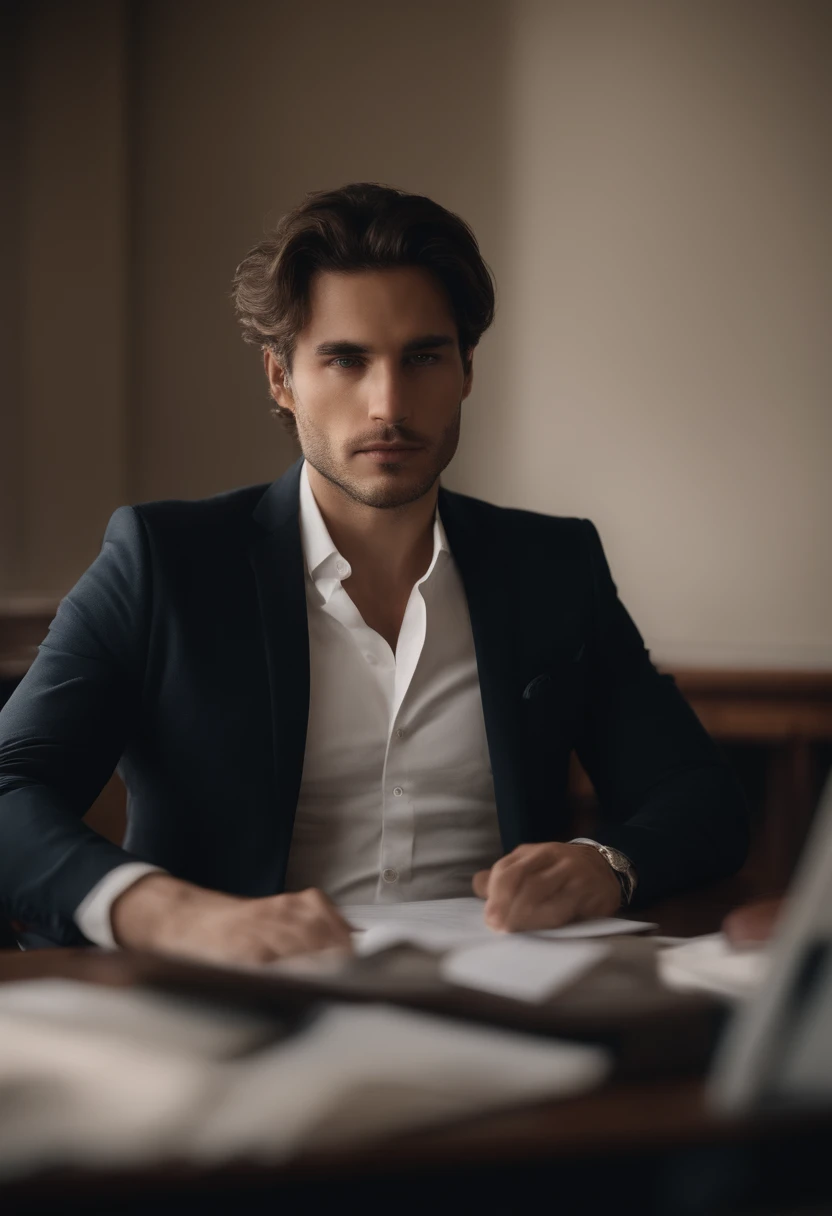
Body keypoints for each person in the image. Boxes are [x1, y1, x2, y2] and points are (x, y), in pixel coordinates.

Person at [0, 183, 748, 961]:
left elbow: (701, 800)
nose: (389, 404)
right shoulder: (165, 563)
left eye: (423, 357)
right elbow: (8, 792)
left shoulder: (553, 567)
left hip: (503, 1002)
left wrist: (606, 865)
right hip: (235, 1004)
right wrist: (174, 914)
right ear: (281, 379)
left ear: (465, 371)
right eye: (346, 360)